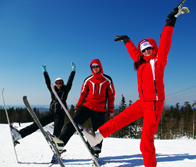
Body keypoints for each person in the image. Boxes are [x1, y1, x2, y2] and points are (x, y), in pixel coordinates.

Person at [81, 1, 190, 167]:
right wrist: (127, 40)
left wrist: (171, 20)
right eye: (144, 49)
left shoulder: (158, 62)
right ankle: (97, 137)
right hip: (142, 102)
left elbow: (166, 41)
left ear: (154, 49)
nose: (146, 51)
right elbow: (134, 52)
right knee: (117, 120)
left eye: (149, 48)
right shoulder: (141, 63)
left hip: (154, 104)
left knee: (145, 142)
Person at [54, 58, 115, 160]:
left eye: (97, 66)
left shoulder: (107, 80)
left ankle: (95, 151)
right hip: (86, 107)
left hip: (100, 110)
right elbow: (82, 94)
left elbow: (111, 95)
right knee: (72, 124)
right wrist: (78, 106)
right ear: (91, 68)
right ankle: (60, 143)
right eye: (93, 67)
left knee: (98, 132)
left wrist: (111, 109)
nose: (95, 69)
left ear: (100, 66)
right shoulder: (88, 79)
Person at [11, 62, 76, 145]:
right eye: (57, 83)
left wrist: (73, 71)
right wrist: (45, 71)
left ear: (62, 83)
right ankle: (19, 135)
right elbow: (47, 81)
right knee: (36, 124)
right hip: (51, 113)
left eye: (60, 82)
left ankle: (57, 151)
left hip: (60, 115)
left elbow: (70, 81)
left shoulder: (65, 90)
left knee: (56, 135)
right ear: (55, 84)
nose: (59, 84)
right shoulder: (52, 90)